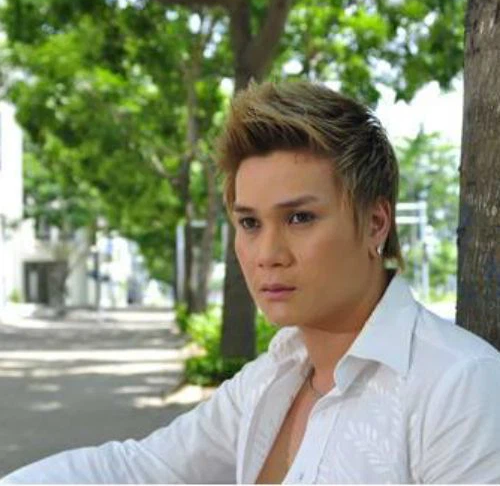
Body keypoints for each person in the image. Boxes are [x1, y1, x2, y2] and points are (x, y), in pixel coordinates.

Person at [2, 81, 500, 484]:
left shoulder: (459, 385)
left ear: (375, 223)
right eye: (249, 223)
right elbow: (140, 470)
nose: (267, 255)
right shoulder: (273, 375)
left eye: (300, 218)